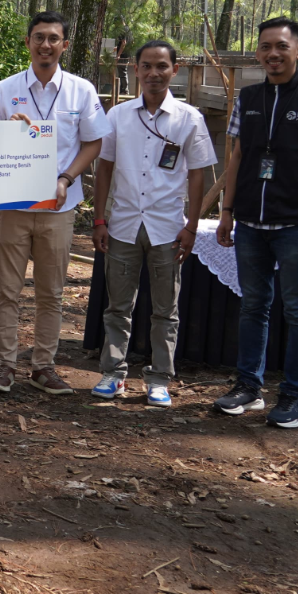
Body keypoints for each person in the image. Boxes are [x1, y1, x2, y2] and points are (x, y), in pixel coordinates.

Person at [213, 16, 298, 429]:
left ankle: (294, 397)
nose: (273, 54)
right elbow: (236, 159)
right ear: (258, 53)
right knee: (253, 305)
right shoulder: (247, 98)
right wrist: (227, 212)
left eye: (282, 47)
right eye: (266, 47)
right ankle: (248, 388)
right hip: (251, 223)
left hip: (297, 225)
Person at [0, 11, 111, 395]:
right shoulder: (5, 90)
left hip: (58, 207)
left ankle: (43, 366)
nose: (46, 45)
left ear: (64, 45)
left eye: (54, 38)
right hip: (12, 206)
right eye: (39, 37)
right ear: (28, 43)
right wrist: (6, 130)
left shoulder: (81, 91)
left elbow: (94, 142)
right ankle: (4, 366)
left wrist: (66, 179)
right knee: (6, 290)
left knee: (50, 292)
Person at [91, 40, 215, 408]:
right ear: (135, 70)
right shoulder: (117, 116)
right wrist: (99, 219)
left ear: (175, 70)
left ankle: (159, 378)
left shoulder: (189, 118)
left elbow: (197, 175)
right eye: (146, 66)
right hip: (124, 224)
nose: (153, 73)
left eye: (162, 66)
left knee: (165, 309)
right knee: (118, 306)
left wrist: (191, 225)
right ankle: (113, 373)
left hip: (166, 228)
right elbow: (104, 170)